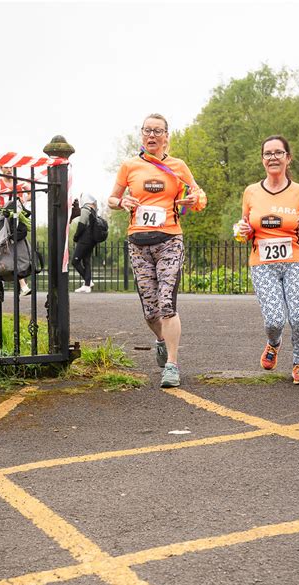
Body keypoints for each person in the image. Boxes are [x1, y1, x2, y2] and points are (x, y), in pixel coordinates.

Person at [108, 113, 207, 388]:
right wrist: (121, 201)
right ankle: (161, 340)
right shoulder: (129, 166)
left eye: (157, 131)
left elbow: (200, 195)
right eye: (147, 131)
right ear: (142, 135)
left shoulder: (178, 166)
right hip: (138, 244)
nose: (152, 136)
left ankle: (172, 365)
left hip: (169, 240)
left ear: (166, 137)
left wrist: (192, 199)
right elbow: (112, 198)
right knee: (150, 311)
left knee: (166, 304)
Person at [237, 135, 299, 385]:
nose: (273, 157)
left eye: (278, 153)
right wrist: (242, 232)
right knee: (275, 320)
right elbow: (243, 226)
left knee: (298, 317)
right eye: (268, 153)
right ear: (262, 159)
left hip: (295, 262)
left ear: (288, 158)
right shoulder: (251, 192)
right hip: (262, 265)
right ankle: (273, 343)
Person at [0, 166, 32, 296]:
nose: (9, 169)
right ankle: (3, 283)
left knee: (17, 248)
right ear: (1, 168)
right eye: (6, 167)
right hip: (2, 219)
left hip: (17, 218)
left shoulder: (20, 182)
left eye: (11, 167)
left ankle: (22, 284)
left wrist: (25, 199)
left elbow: (32, 191)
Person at [70, 193, 97, 293]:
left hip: (84, 240)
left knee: (75, 261)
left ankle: (88, 281)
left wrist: (76, 237)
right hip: (91, 240)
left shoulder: (85, 209)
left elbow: (81, 225)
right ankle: (87, 285)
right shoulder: (93, 211)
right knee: (86, 261)